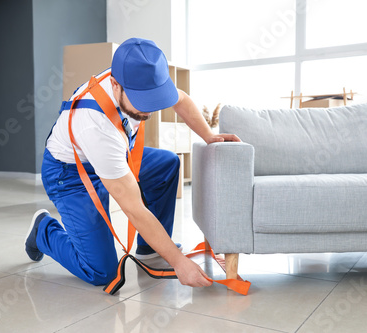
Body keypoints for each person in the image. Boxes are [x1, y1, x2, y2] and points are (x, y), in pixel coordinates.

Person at [25, 38, 240, 288]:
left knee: (166, 164)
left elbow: (180, 100)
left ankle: (150, 251)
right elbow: (133, 209)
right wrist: (180, 263)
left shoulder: (143, 77)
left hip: (114, 157)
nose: (149, 111)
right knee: (102, 272)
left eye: (155, 98)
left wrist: (209, 136)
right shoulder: (96, 124)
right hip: (70, 175)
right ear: (115, 86)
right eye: (142, 101)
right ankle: (43, 231)